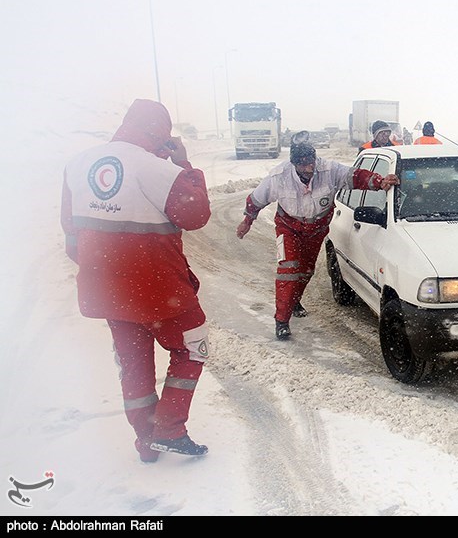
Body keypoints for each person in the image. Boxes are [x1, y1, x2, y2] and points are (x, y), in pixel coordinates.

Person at [60, 99, 212, 463]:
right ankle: (170, 430)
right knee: (193, 346)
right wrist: (184, 163)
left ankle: (146, 439)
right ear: (161, 133)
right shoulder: (159, 170)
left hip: (108, 290)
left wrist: (108, 270)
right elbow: (196, 214)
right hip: (161, 289)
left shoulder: (77, 165)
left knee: (133, 362)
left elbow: (71, 236)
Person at [236, 131, 400, 340]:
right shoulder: (278, 178)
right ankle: (282, 320)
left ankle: (294, 300)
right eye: (303, 164)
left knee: (305, 271)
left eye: (311, 162)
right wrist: (247, 222)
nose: (309, 168)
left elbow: (356, 177)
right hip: (289, 228)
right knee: (288, 270)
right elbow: (255, 200)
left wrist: (379, 181)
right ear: (294, 164)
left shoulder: (329, 170)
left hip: (316, 230)